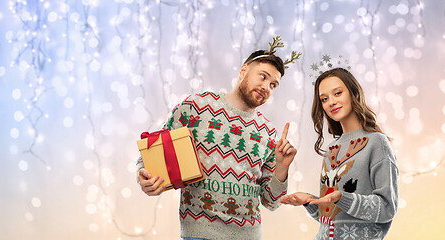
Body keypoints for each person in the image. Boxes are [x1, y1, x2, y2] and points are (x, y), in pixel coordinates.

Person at [136, 36, 300, 240]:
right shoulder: (196, 107)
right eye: (263, 77)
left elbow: (272, 202)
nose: (267, 87)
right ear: (243, 71)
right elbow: (154, 147)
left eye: (274, 85)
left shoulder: (268, 133)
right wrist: (144, 175)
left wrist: (282, 169)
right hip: (199, 233)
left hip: (248, 235)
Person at [279, 67, 399, 240]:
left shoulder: (376, 143)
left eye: (338, 93)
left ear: (354, 94)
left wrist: (342, 197)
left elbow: (387, 208)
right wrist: (310, 201)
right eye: (324, 99)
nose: (331, 102)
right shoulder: (331, 151)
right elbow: (329, 218)